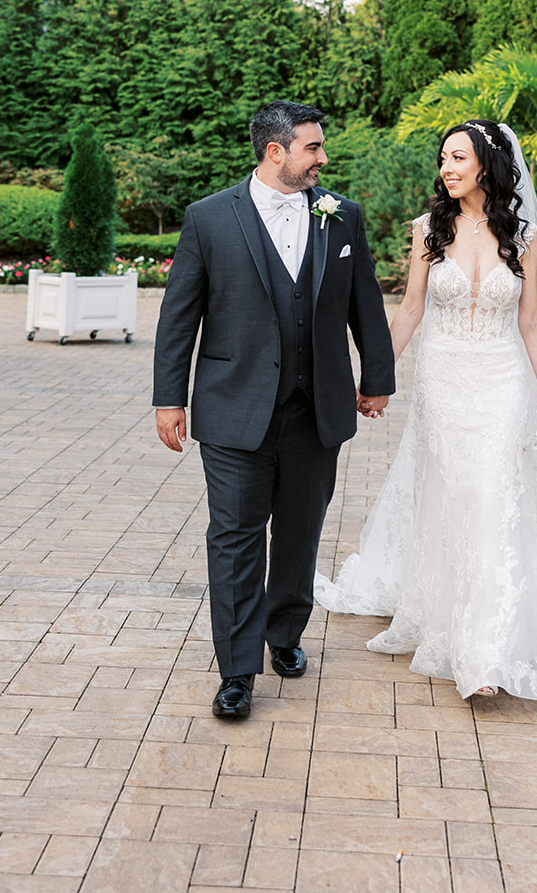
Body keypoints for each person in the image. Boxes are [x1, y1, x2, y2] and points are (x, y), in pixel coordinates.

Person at [315, 118, 537, 701]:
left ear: (487, 166)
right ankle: (452, 616)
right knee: (454, 497)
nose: (447, 169)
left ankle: (490, 652)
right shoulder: (429, 229)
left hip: (501, 382)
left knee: (495, 495)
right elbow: (411, 310)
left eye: (458, 158)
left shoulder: (524, 237)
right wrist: (378, 375)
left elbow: (530, 322)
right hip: (443, 382)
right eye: (443, 158)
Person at [153, 100, 396, 721]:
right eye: (313, 148)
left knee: (298, 532)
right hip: (233, 408)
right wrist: (167, 398)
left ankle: (283, 634)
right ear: (275, 152)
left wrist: (377, 378)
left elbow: (364, 301)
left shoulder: (342, 216)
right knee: (233, 538)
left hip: (317, 409)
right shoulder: (208, 219)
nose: (323, 158)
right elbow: (180, 314)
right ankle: (237, 670)